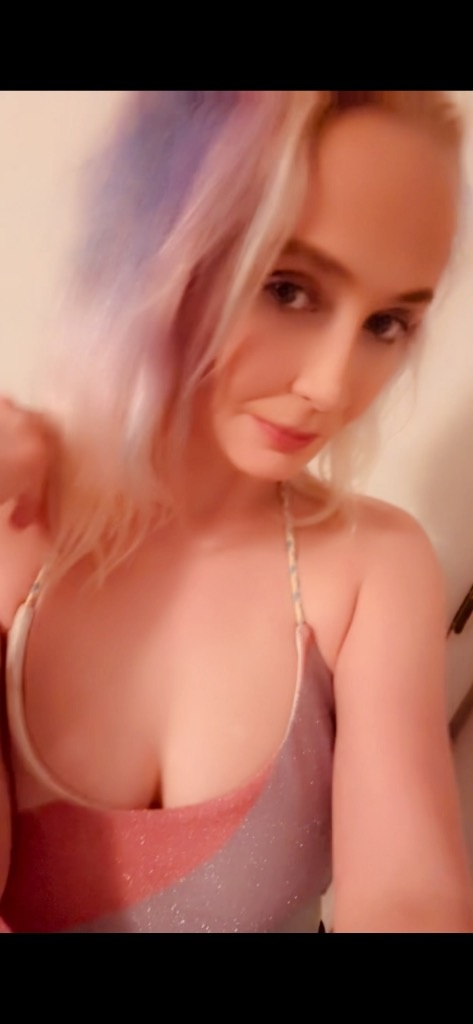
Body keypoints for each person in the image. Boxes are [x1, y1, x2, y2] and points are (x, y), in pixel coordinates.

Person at [0, 90, 472, 933]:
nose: (331, 385)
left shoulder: (372, 569)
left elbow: (409, 897)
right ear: (155, 249)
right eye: (288, 289)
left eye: (387, 322)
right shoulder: (15, 524)